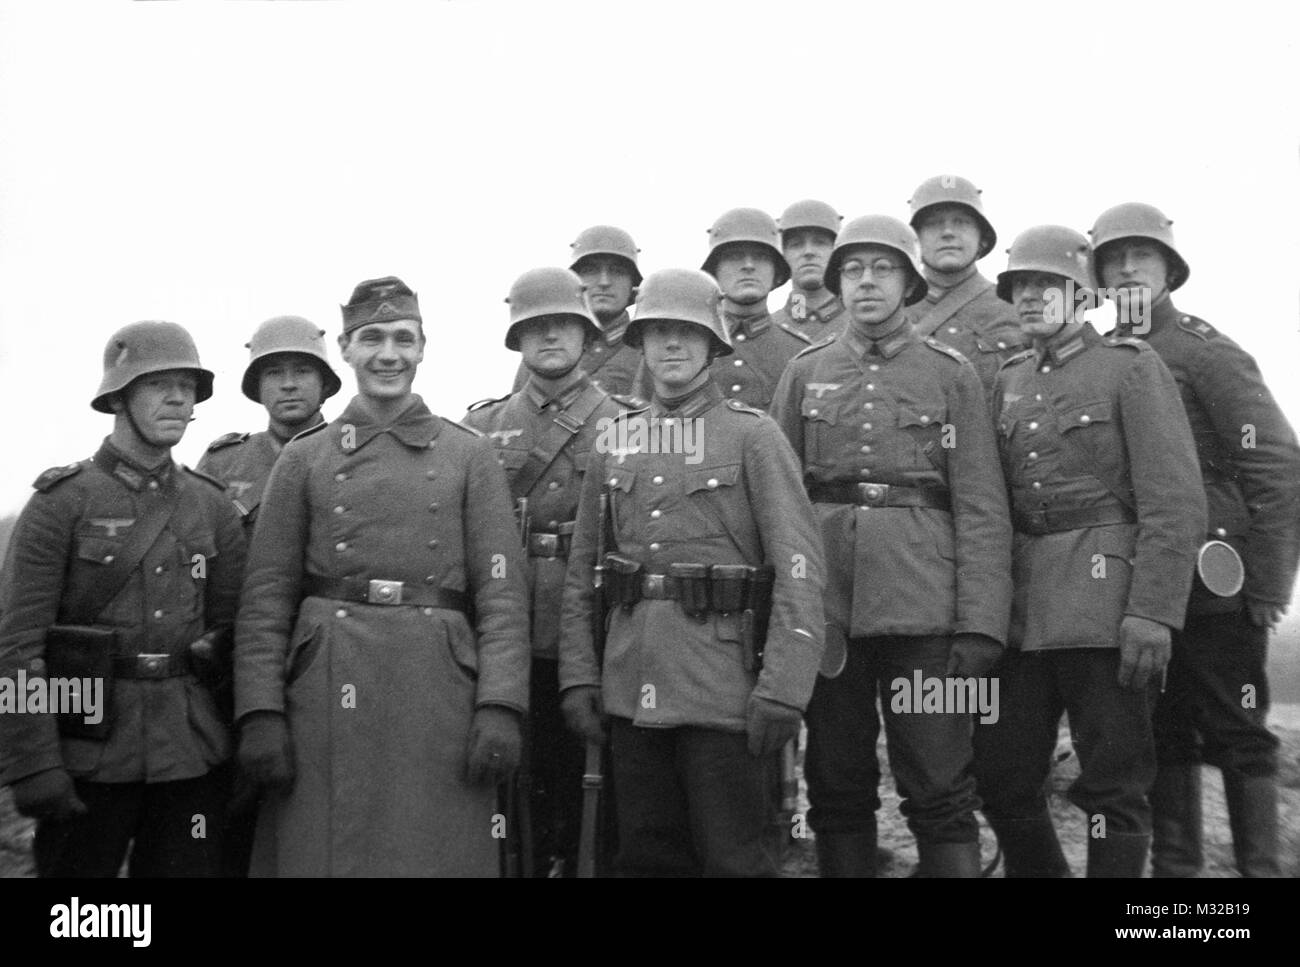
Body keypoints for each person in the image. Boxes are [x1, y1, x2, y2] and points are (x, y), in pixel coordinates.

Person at [234, 276, 531, 877]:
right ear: (345, 349)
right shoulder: (304, 457)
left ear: (424, 347)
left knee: (430, 850)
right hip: (325, 685)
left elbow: (501, 595)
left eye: (403, 338)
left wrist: (500, 705)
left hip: (438, 687)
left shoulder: (468, 454)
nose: (388, 354)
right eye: (371, 338)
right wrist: (260, 712)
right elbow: (267, 597)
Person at [559, 267, 826, 876]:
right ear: (641, 343)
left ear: (712, 344)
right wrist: (579, 677)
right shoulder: (615, 440)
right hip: (632, 682)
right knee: (648, 857)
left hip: (725, 689)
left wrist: (785, 685)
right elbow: (586, 572)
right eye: (657, 332)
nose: (671, 345)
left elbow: (801, 568)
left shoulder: (752, 437)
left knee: (735, 859)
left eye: (686, 332)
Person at [770, 214, 1013, 877]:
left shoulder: (951, 374)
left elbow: (982, 503)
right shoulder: (804, 371)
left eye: (882, 270)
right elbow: (780, 502)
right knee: (837, 780)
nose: (866, 282)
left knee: (940, 782)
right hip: (829, 613)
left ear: (908, 283)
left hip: (928, 616)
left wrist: (982, 622)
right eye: (853, 269)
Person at [972, 225, 1206, 877]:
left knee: (1114, 784)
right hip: (1025, 614)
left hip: (1109, 609)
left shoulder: (1131, 367)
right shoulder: (1009, 379)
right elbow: (996, 504)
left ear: (1081, 295)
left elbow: (1175, 500)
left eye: (1048, 284)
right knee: (1002, 775)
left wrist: (1153, 610)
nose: (1031, 297)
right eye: (1021, 286)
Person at [1092, 202, 1300, 877]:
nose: (1128, 269)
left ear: (1169, 269)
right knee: (1162, 728)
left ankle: (1260, 873)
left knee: (1238, 730)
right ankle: (1177, 878)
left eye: (1141, 257)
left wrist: (1268, 580)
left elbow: (1274, 462)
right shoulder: (1098, 354)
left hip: (1216, 578)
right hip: (1136, 575)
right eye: (1114, 260)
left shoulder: (1205, 353)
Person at [0, 321, 246, 877]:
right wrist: (34, 763)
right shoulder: (62, 503)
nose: (179, 398)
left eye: (188, 386)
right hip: (89, 754)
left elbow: (234, 637)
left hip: (191, 752)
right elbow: (18, 646)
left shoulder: (211, 507)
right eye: (160, 384)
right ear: (118, 395)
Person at [464, 266, 633, 876]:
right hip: (508, 620)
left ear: (587, 335)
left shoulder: (630, 423)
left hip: (592, 621)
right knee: (516, 776)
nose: (550, 338)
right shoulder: (480, 427)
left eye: (563, 325)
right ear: (517, 340)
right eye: (535, 328)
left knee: (591, 778)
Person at [635, 208, 806, 409]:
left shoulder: (799, 351)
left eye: (760, 257)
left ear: (776, 272)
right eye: (734, 257)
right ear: (714, 272)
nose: (748, 266)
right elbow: (642, 423)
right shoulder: (676, 347)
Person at [198, 315, 341, 529]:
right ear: (258, 387)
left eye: (302, 371)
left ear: (324, 384)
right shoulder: (222, 463)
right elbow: (197, 553)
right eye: (274, 373)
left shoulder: (350, 454)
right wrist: (199, 564)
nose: (288, 384)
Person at [906, 174, 1023, 395]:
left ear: (983, 239)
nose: (948, 233)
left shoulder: (1017, 306)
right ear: (915, 241)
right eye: (933, 224)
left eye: (961, 222)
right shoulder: (892, 310)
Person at [512, 226, 644, 396]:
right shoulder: (543, 348)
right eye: (591, 271)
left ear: (632, 285)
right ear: (574, 283)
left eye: (617, 272)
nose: (604, 282)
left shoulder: (649, 351)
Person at [770, 199, 847, 343]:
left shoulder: (862, 325)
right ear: (783, 255)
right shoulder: (769, 329)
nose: (808, 252)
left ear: (836, 251)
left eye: (820, 242)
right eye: (796, 244)